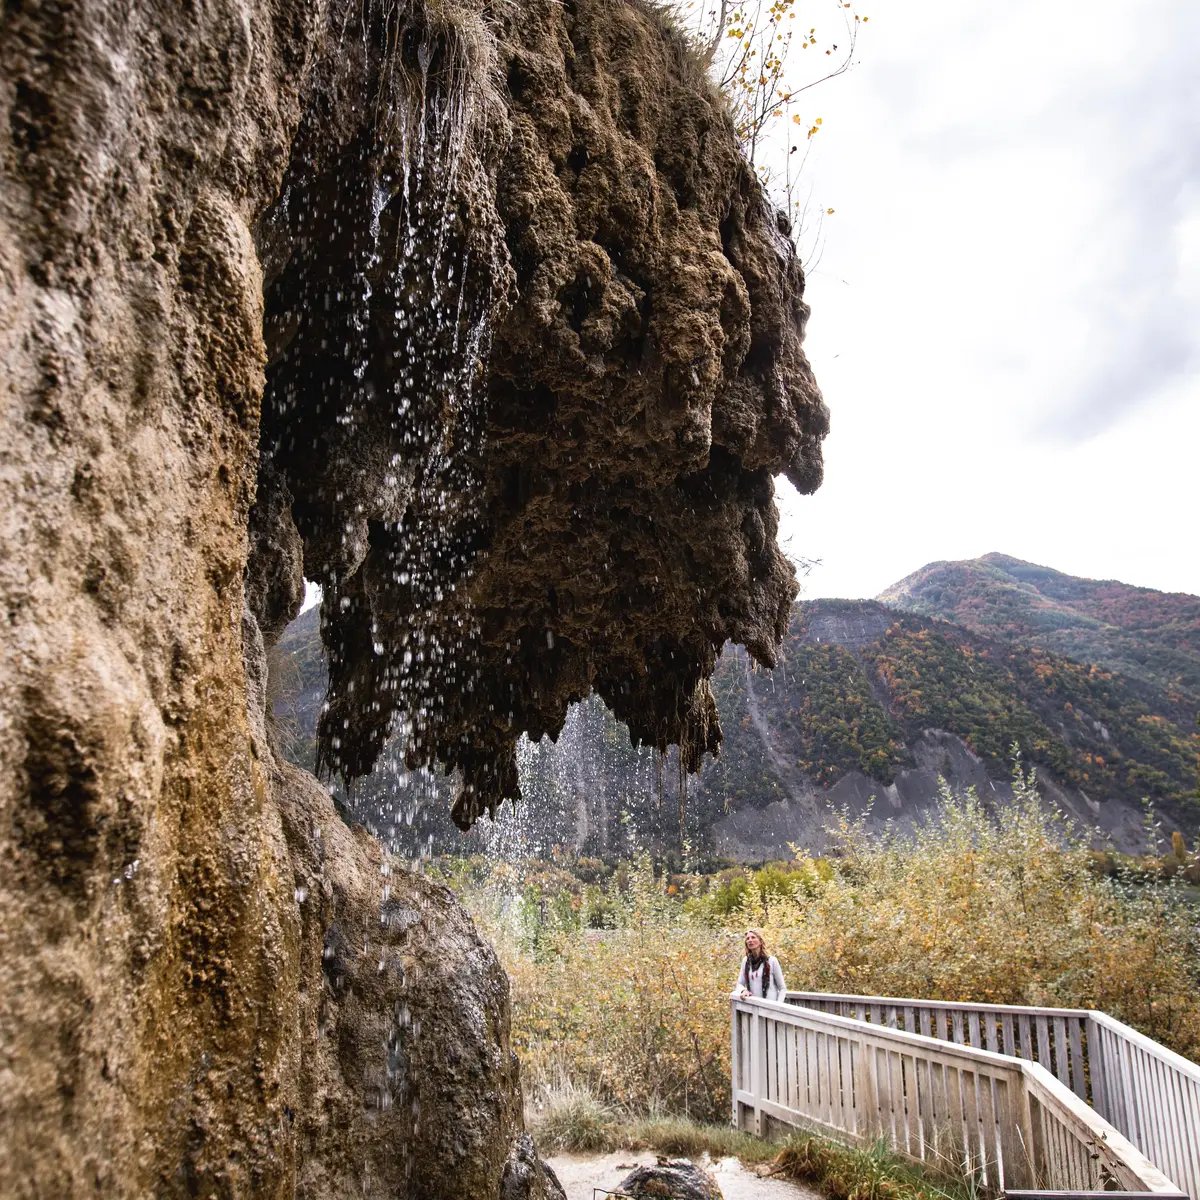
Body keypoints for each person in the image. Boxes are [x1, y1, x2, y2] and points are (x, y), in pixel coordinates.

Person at [735, 929, 786, 1002]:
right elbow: (739, 984)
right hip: (754, 1007)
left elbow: (782, 987)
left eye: (753, 937)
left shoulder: (771, 961)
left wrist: (778, 1006)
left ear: (760, 941)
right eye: (748, 938)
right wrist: (743, 990)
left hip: (770, 1007)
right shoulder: (746, 961)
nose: (750, 940)